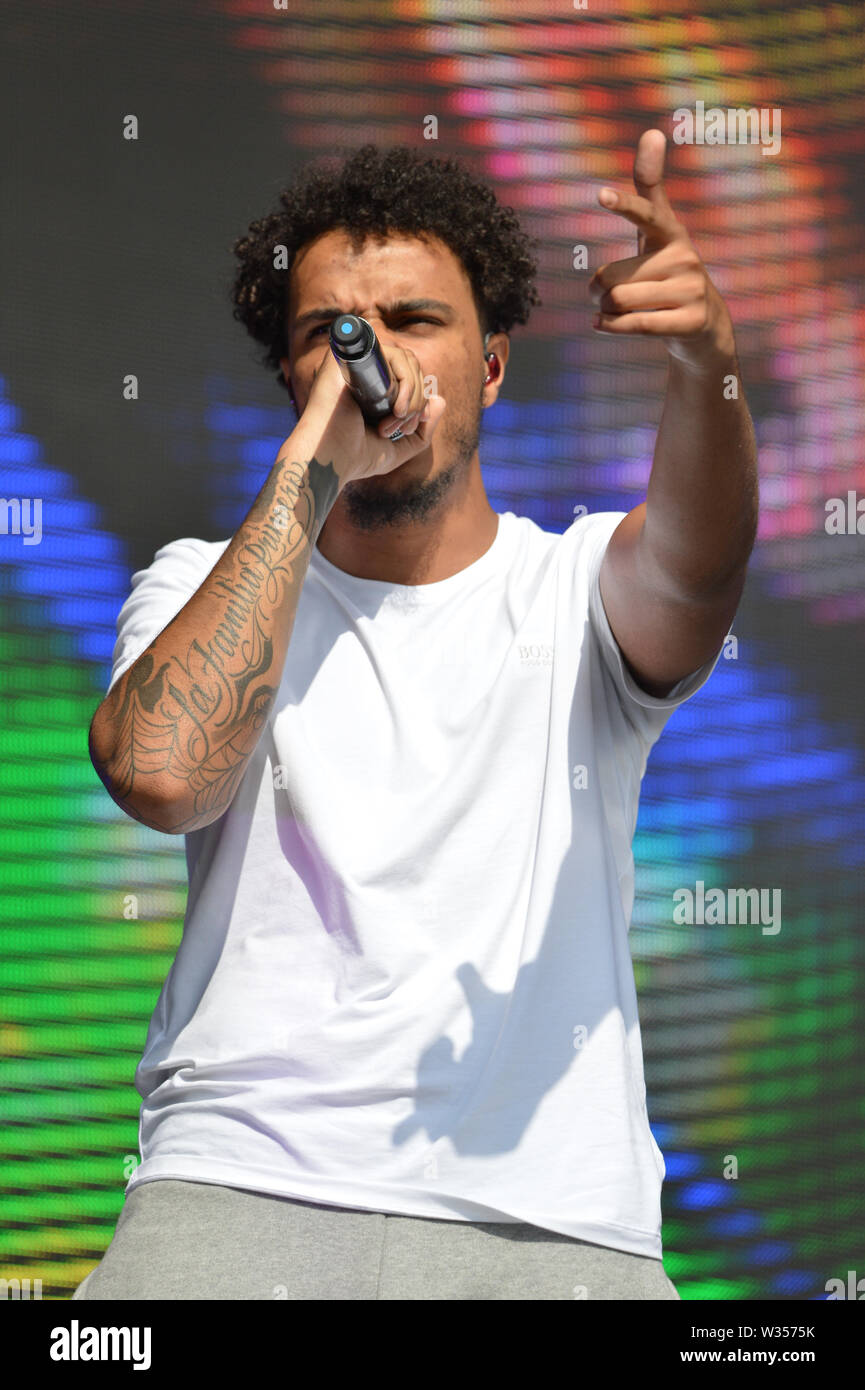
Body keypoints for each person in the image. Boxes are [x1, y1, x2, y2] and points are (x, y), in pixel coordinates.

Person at [75, 134, 758, 1300]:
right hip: (236, 1188)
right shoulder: (201, 577)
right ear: (293, 380)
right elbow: (163, 772)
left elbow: (701, 564)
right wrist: (316, 464)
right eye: (325, 336)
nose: (370, 357)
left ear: (491, 364)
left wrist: (705, 362)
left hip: (547, 1222)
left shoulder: (573, 585)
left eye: (412, 319)